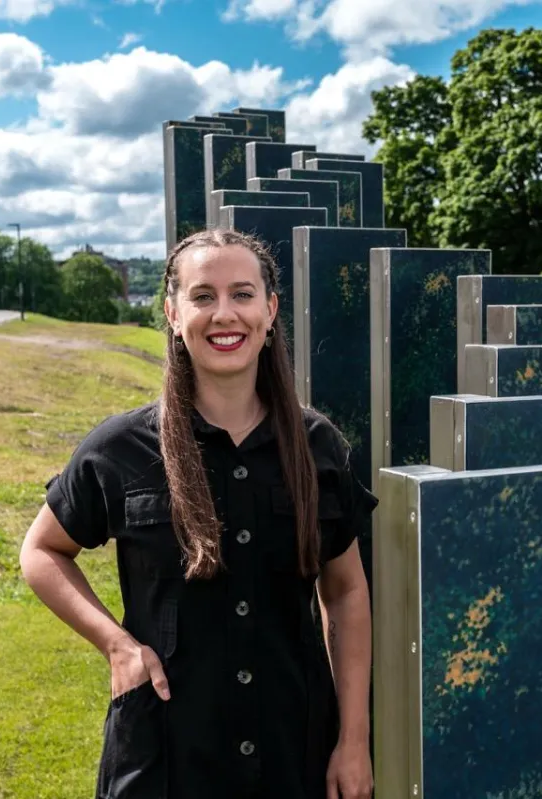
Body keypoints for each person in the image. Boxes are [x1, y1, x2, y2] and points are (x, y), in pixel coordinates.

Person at [19, 229, 377, 799]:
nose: (224, 314)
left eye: (242, 294)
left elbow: (346, 593)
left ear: (270, 310)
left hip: (295, 750)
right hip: (166, 754)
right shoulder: (121, 448)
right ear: (172, 313)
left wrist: (353, 740)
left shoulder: (318, 447)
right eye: (203, 296)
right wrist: (117, 644)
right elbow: (41, 551)